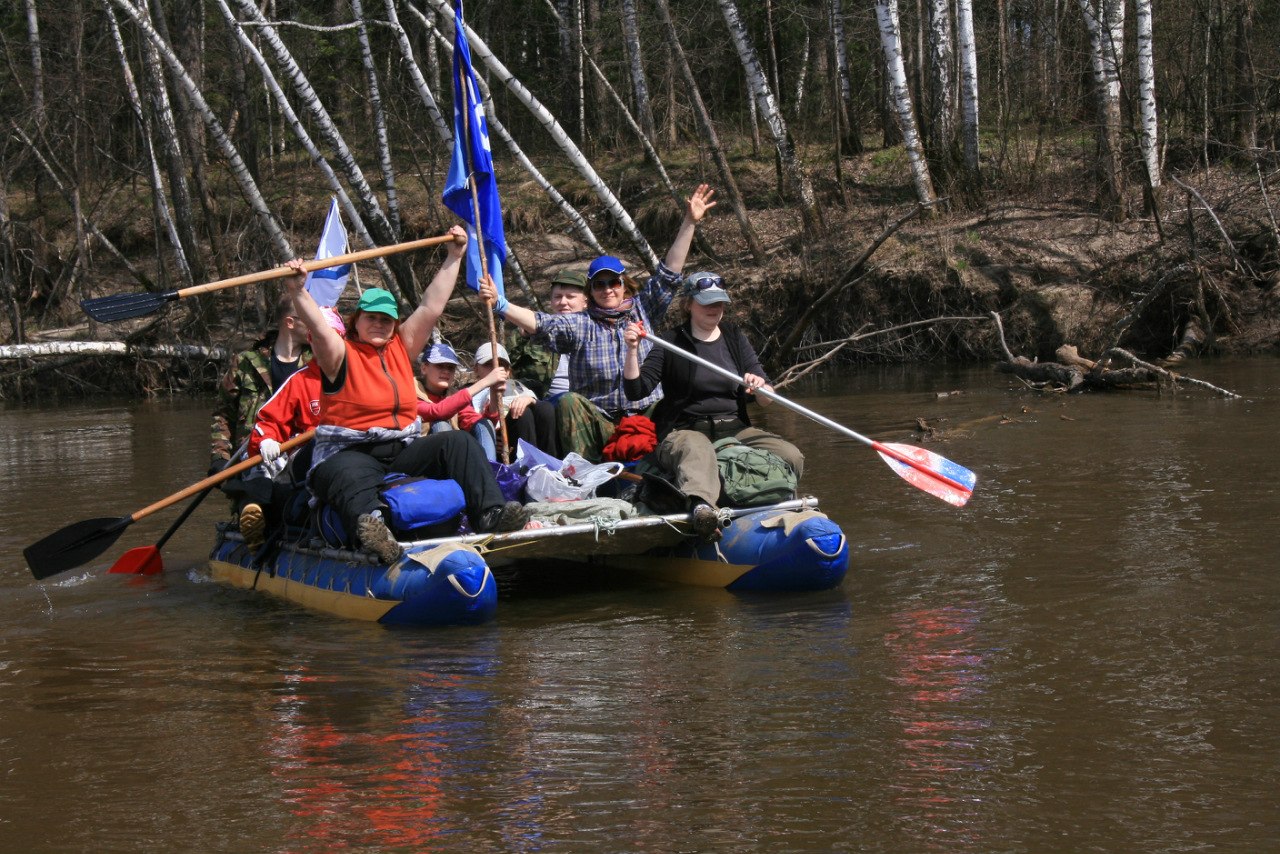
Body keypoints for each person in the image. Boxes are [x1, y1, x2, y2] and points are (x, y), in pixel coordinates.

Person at [284, 226, 528, 565]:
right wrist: (298, 291)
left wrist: (454, 256)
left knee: (457, 442)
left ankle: (489, 513)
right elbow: (321, 330)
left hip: (400, 447)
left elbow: (432, 306)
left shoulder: (402, 345)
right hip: (347, 450)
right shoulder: (339, 353)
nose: (380, 324)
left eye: (387, 319)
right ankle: (375, 534)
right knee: (347, 475)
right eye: (372, 318)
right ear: (356, 322)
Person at [482, 184, 717, 461]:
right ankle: (585, 475)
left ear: (623, 284)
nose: (607, 289)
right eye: (599, 284)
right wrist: (501, 304)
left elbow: (670, 272)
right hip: (599, 420)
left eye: (613, 282)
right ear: (591, 291)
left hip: (647, 414)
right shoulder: (581, 324)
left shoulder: (644, 308)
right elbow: (541, 323)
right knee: (569, 401)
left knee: (680, 396)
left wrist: (689, 221)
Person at [622, 271, 804, 540]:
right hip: (685, 429)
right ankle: (702, 510)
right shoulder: (670, 342)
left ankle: (778, 502)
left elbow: (766, 399)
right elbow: (636, 391)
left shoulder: (734, 337)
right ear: (688, 305)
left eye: (719, 303)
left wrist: (760, 387)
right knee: (698, 449)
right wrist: (633, 350)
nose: (714, 309)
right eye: (707, 303)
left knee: (790, 455)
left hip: (734, 428)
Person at [236, 306, 347, 548]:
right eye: (318, 339)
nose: (325, 345)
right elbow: (268, 420)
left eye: (331, 338)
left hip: (355, 453)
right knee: (277, 480)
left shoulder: (361, 376)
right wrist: (266, 440)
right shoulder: (299, 380)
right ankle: (262, 518)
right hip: (309, 458)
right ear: (311, 342)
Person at [210, 293, 311, 469]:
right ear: (290, 322)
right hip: (252, 459)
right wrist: (220, 456)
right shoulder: (245, 362)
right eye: (309, 317)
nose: (316, 322)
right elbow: (223, 414)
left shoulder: (318, 363)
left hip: (302, 458)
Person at [459, 342, 558, 460]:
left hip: (526, 432)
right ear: (476, 368)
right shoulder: (469, 393)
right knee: (522, 414)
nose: (495, 370)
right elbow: (471, 426)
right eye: (489, 365)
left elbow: (539, 408)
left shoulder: (517, 386)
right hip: (498, 442)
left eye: (502, 366)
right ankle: (527, 468)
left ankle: (550, 464)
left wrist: (528, 399)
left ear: (507, 371)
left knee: (545, 408)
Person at [504, 268, 589, 399]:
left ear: (586, 302)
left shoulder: (596, 332)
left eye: (570, 297)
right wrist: (524, 339)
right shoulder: (531, 331)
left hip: (586, 406)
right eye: (558, 297)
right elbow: (505, 369)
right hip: (540, 406)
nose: (563, 302)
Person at [415, 341, 508, 433]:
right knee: (441, 424)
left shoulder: (452, 395)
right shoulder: (411, 392)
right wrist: (485, 382)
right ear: (424, 368)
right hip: (419, 446)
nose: (446, 371)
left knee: (484, 425)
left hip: (452, 444)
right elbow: (437, 411)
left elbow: (480, 425)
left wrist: (494, 393)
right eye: (440, 366)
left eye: (451, 367)